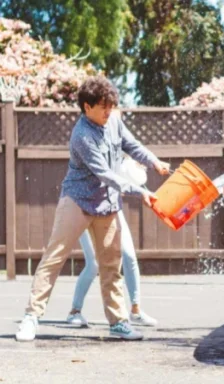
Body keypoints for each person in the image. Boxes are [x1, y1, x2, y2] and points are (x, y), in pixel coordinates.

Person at [15, 76, 170, 342]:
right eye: (102, 107)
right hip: (77, 201)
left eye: (111, 105)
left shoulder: (114, 121)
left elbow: (131, 145)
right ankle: (31, 318)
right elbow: (106, 174)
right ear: (87, 108)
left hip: (106, 204)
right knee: (54, 258)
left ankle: (118, 322)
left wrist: (154, 161)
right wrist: (141, 191)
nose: (108, 111)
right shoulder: (82, 136)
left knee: (111, 264)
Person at [66, 161, 157, 327]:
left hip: (111, 208)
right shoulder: (94, 150)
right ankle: (75, 312)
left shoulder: (125, 157)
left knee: (129, 255)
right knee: (93, 264)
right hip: (84, 205)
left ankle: (135, 311)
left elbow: (135, 184)